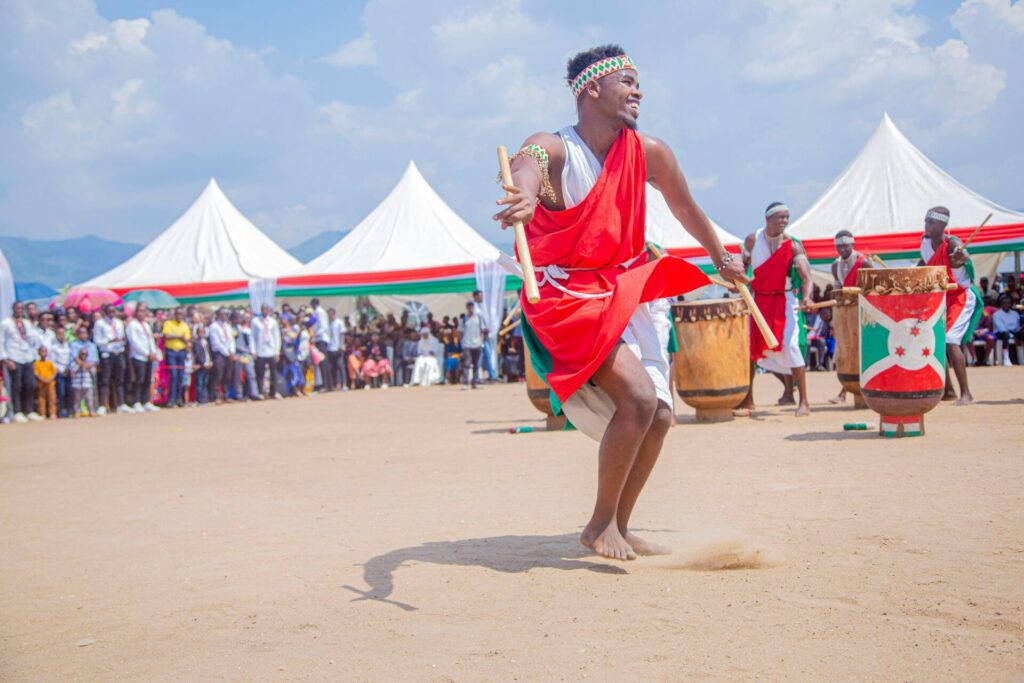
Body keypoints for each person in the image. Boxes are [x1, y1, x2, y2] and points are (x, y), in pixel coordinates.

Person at [494, 45, 745, 560]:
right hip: (567, 297)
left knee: (659, 416)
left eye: (638, 82)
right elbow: (528, 163)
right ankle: (600, 524)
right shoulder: (553, 147)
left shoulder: (650, 152)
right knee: (638, 397)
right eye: (627, 81)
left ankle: (616, 526)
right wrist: (522, 192)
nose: (639, 91)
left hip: (622, 290)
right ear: (592, 89)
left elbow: (685, 207)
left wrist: (721, 258)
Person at [735, 203, 814, 417]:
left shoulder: (793, 246)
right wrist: (740, 276)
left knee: (790, 347)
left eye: (787, 217)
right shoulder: (752, 240)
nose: (784, 221)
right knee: (755, 350)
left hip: (784, 301)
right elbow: (741, 263)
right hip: (759, 301)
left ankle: (803, 401)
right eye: (780, 217)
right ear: (768, 218)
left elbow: (807, 278)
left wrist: (806, 297)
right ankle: (748, 399)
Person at [918, 207, 981, 405]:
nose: (927, 225)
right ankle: (948, 390)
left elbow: (965, 258)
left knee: (951, 340)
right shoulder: (925, 243)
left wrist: (960, 258)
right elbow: (927, 263)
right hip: (943, 296)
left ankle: (966, 393)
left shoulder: (953, 243)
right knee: (935, 339)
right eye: (926, 221)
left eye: (932, 222)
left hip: (961, 297)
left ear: (943, 226)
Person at [1, 301, 44, 422]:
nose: (19, 310)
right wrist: (5, 359)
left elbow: (34, 340)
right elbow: (1, 341)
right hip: (13, 357)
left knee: (30, 384)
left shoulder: (27, 323)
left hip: (27, 356)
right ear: (13, 309)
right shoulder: (6, 323)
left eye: (21, 308)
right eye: (17, 308)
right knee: (16, 386)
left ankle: (29, 410)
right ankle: (17, 411)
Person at [93, 303, 129, 415]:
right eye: (110, 312)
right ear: (105, 312)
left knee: (120, 379)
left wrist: (121, 340)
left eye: (114, 311)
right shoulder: (99, 324)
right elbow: (97, 341)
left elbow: (122, 337)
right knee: (105, 379)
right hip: (107, 353)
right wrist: (110, 341)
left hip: (118, 352)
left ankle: (121, 404)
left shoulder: (118, 323)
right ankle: (103, 405)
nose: (112, 313)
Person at [126, 303, 160, 413]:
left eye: (144, 311)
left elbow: (150, 339)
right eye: (140, 311)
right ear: (135, 312)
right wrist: (146, 353)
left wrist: (153, 352)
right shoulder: (132, 325)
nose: (142, 313)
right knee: (138, 379)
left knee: (147, 379)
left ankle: (146, 401)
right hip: (138, 356)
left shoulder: (145, 324)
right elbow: (134, 341)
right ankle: (136, 402)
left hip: (149, 356)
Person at [161, 308, 191, 408]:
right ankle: (171, 400)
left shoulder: (185, 325)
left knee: (180, 376)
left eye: (181, 314)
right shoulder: (168, 323)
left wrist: (175, 336)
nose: (180, 316)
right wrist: (179, 336)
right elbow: (166, 335)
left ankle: (179, 399)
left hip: (181, 352)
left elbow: (186, 339)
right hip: (171, 352)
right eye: (178, 314)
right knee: (173, 376)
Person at [251, 304, 282, 399]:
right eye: (263, 309)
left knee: (273, 373)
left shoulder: (273, 322)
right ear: (261, 310)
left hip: (271, 350)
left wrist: (277, 351)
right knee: (260, 373)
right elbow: (252, 337)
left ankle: (274, 392)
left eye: (267, 309)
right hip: (260, 350)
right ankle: (260, 392)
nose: (265, 311)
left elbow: (277, 336)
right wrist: (253, 351)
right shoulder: (255, 321)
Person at [208, 308, 237, 404]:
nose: (224, 316)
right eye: (222, 314)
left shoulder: (228, 326)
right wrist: (227, 353)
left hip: (229, 353)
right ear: (218, 315)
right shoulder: (213, 327)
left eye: (225, 314)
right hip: (219, 354)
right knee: (218, 375)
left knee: (227, 376)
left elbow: (231, 340)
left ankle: (226, 395)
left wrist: (232, 351)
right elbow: (216, 343)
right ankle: (216, 396)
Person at [459, 301, 486, 389]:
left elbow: (482, 330)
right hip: (467, 344)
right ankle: (465, 383)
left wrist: (481, 342)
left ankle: (475, 382)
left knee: (476, 364)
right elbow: (460, 332)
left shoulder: (478, 318)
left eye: (472, 307)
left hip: (477, 344)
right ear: (467, 308)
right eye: (469, 307)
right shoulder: (463, 319)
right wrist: (462, 342)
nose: (470, 308)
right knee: (466, 364)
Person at [993, 294, 1023, 365]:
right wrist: (1013, 335)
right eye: (1005, 303)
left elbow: (1017, 327)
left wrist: (1017, 334)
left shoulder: (1015, 314)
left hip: (1013, 332)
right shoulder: (996, 315)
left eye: (1008, 303)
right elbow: (1001, 329)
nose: (1007, 305)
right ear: (1001, 304)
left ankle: (1022, 358)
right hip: (1000, 334)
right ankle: (1006, 358)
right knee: (1005, 334)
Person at [51, 324, 72, 417]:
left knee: (69, 391)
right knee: (61, 392)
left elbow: (71, 358)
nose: (61, 335)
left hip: (69, 372)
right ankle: (61, 410)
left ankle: (69, 410)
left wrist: (70, 368)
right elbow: (52, 361)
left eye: (63, 333)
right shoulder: (54, 347)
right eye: (59, 333)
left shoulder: (68, 345)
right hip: (60, 372)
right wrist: (61, 369)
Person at [311, 298, 331, 391]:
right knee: (321, 363)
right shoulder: (317, 311)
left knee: (323, 363)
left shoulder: (319, 312)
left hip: (321, 339)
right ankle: (325, 384)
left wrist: (315, 335)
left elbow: (323, 326)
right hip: (319, 339)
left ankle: (326, 385)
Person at [71, 346, 96, 416]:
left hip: (87, 384)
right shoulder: (74, 363)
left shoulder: (90, 363)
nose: (84, 356)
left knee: (89, 399)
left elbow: (93, 372)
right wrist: (80, 364)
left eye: (85, 354)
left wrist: (88, 366)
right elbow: (72, 371)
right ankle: (77, 412)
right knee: (77, 400)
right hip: (77, 384)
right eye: (82, 354)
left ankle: (91, 411)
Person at [33, 346, 58, 419]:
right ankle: (42, 414)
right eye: (42, 351)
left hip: (50, 384)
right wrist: (43, 380)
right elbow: (36, 373)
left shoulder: (49, 362)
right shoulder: (36, 363)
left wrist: (49, 379)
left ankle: (52, 413)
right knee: (41, 399)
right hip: (41, 384)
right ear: (39, 353)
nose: (43, 353)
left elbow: (54, 372)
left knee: (52, 399)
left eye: (45, 351)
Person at [327, 308, 347, 391]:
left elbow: (342, 334)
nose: (329, 316)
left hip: (338, 347)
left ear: (333, 314)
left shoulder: (339, 322)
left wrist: (341, 345)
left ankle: (344, 384)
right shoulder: (328, 324)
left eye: (330, 314)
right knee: (333, 367)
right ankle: (337, 384)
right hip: (330, 348)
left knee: (341, 366)